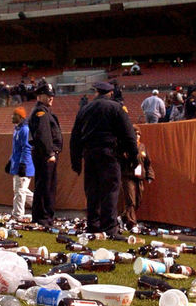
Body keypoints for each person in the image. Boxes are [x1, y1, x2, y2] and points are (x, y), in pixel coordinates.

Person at [70, 81, 138, 237]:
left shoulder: (84, 109)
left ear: (97, 93)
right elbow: (128, 134)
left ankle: (93, 225)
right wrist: (134, 156)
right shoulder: (116, 108)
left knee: (92, 190)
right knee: (110, 189)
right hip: (109, 154)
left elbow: (75, 137)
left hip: (89, 154)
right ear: (111, 93)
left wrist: (76, 160)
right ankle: (109, 228)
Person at [28, 82, 63, 227]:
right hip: (45, 155)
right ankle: (43, 217)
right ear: (40, 96)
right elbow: (43, 135)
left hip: (45, 154)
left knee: (46, 185)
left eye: (51, 96)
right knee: (46, 187)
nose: (51, 98)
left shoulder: (44, 111)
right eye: (48, 96)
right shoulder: (41, 112)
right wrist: (49, 153)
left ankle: (43, 217)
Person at [120, 126, 155, 229]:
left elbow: (148, 163)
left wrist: (150, 175)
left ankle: (122, 218)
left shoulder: (143, 147)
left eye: (138, 134)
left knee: (138, 200)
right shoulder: (125, 146)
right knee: (131, 201)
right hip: (128, 176)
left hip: (139, 177)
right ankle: (132, 223)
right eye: (135, 134)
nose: (137, 136)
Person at [5, 107, 34, 220]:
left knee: (19, 191)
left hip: (23, 166)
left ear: (20, 117)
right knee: (21, 190)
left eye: (14, 115)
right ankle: (41, 206)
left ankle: (18, 215)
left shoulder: (25, 130)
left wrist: (23, 165)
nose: (12, 117)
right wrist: (10, 161)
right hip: (17, 164)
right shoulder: (17, 129)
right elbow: (16, 150)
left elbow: (26, 148)